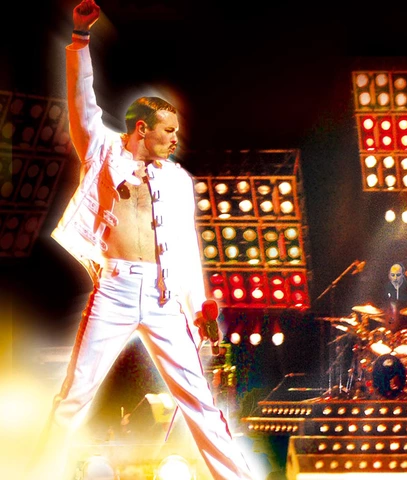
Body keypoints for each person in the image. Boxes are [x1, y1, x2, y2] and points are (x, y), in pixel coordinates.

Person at [28, 1, 254, 478]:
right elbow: (81, 104)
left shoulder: (177, 180)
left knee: (199, 401)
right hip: (114, 289)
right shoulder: (103, 151)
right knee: (75, 395)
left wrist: (201, 310)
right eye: (167, 131)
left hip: (163, 295)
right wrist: (80, 39)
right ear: (141, 129)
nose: (175, 139)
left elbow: (187, 252)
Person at [383, 263, 407, 332]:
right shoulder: (385, 290)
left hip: (405, 328)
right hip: (389, 328)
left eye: (398, 275)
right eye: (393, 275)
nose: (395, 278)